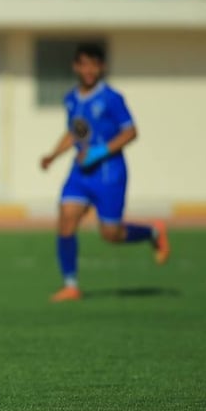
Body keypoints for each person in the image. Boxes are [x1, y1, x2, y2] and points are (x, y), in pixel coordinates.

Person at [39, 43, 169, 302]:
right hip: (80, 173)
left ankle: (153, 232)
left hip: (109, 174)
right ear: (76, 66)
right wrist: (53, 155)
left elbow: (131, 132)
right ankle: (71, 284)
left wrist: (100, 151)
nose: (89, 70)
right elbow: (76, 131)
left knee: (110, 234)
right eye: (84, 64)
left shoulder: (112, 98)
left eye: (94, 64)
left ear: (102, 67)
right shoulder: (71, 99)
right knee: (66, 219)